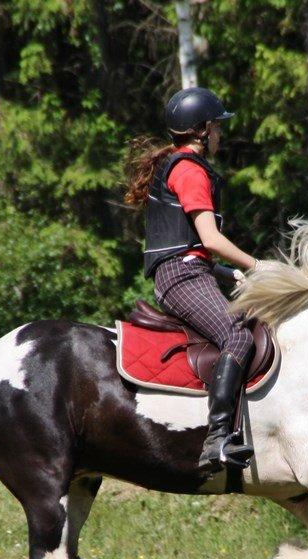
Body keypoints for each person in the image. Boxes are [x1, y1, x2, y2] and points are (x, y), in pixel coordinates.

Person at [124, 87, 260, 473]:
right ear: (201, 131)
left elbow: (191, 247)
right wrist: (257, 266)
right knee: (237, 336)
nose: (220, 134)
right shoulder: (189, 170)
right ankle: (217, 439)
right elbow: (211, 240)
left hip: (189, 270)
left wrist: (229, 272)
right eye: (216, 127)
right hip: (181, 277)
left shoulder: (181, 167)